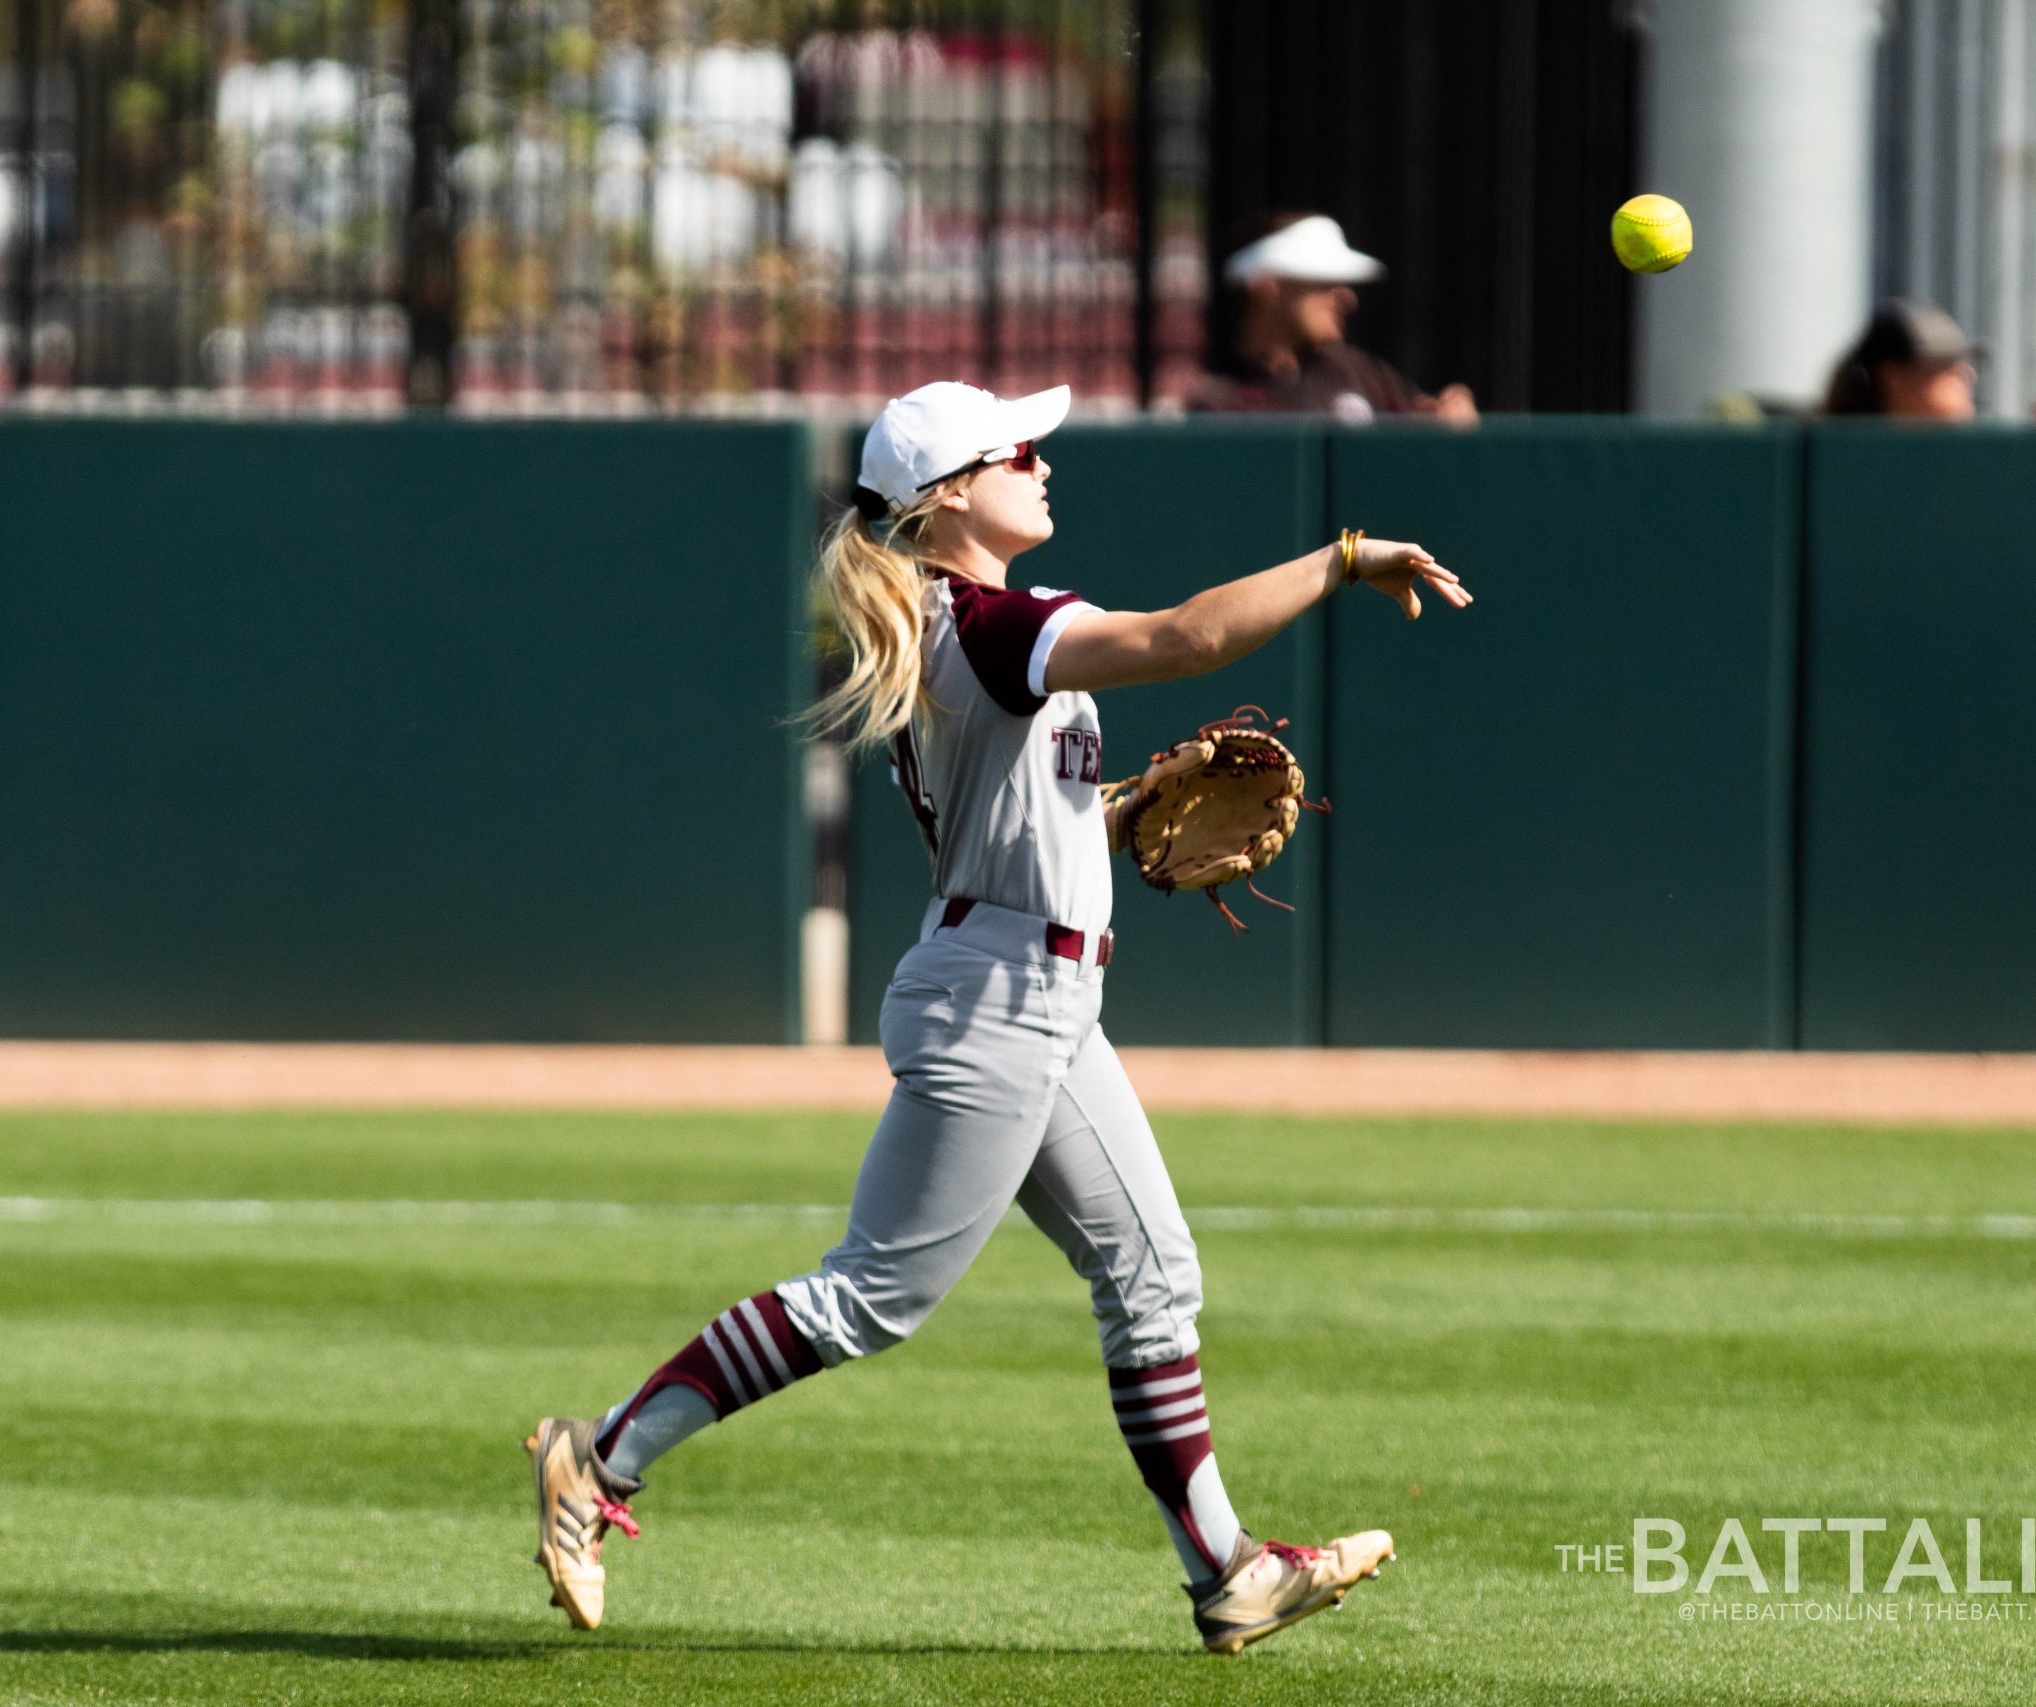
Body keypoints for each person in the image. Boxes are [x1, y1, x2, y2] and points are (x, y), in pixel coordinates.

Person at [526, 379, 1471, 1655]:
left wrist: (1118, 813)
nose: (1042, 463)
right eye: (1018, 450)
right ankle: (601, 1461)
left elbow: (1019, 807)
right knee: (872, 1296)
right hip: (996, 1004)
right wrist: (1342, 556)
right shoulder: (981, 620)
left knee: (1152, 1278)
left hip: (1040, 994)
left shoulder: (958, 620)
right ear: (952, 491)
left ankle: (1228, 1573)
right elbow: (1188, 639)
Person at [1192, 212, 1479, 425]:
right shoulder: (1215, 399)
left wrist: (1449, 416)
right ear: (1266, 286)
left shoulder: (1357, 372)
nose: (1347, 298)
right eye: (1324, 279)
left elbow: (1423, 438)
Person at [1821, 297, 2036, 425]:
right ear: (1892, 377)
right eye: (1945, 363)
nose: (1967, 374)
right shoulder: (1841, 462)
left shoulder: (1973, 457)